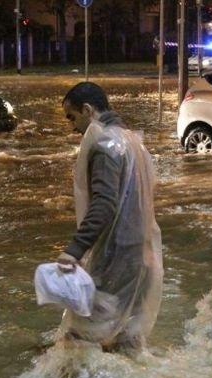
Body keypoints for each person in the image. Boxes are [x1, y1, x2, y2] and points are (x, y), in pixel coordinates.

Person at [56, 82, 163, 353]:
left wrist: (75, 249)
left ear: (88, 110)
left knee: (78, 337)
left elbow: (104, 203)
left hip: (116, 255)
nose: (72, 126)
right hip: (141, 254)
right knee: (126, 338)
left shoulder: (105, 146)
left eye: (72, 117)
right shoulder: (131, 141)